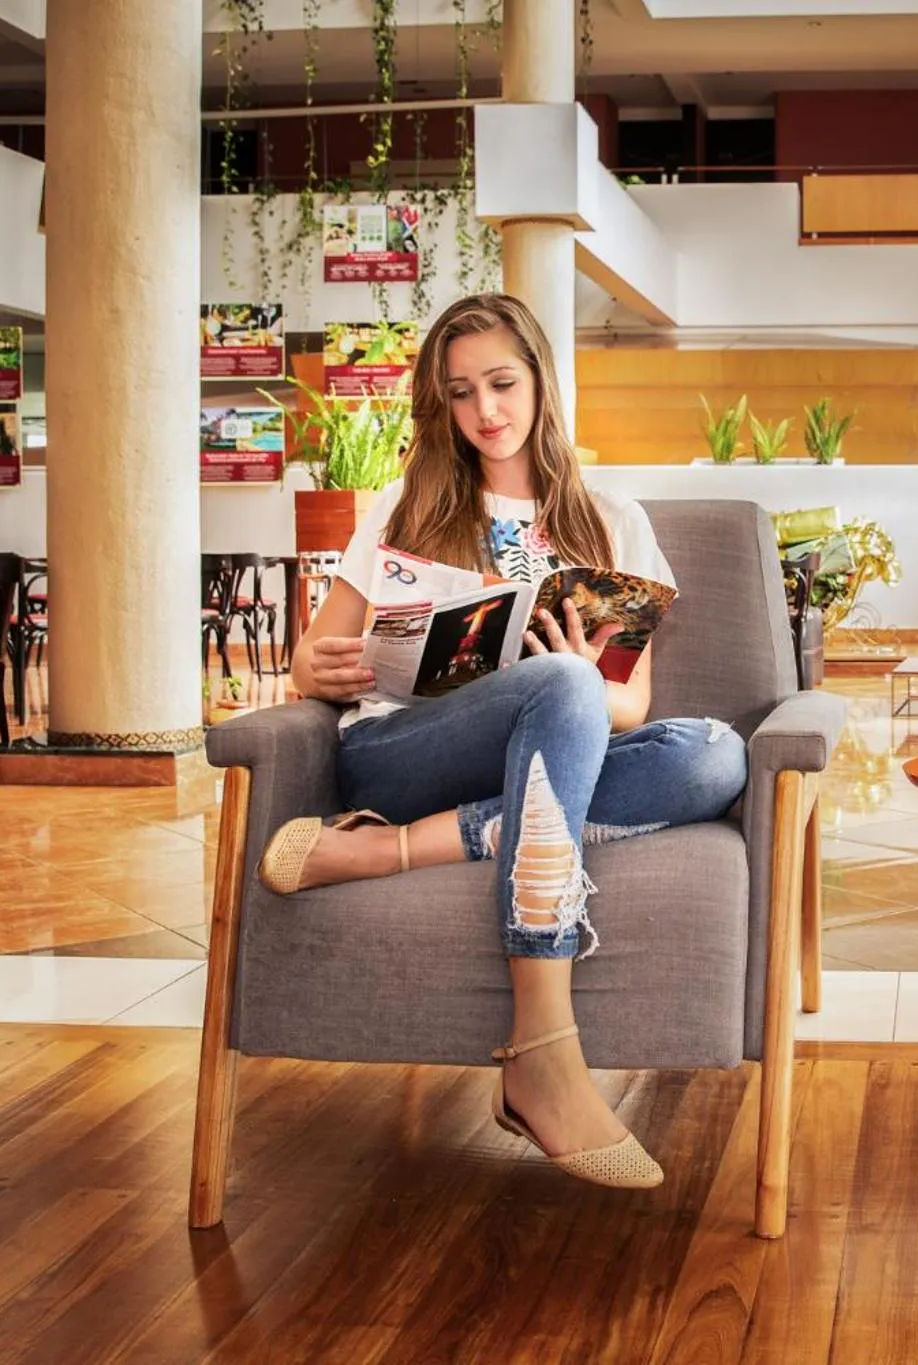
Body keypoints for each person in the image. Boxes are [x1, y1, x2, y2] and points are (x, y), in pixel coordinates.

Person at [258, 292, 748, 1190]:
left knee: (714, 753)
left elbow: (633, 705)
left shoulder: (611, 519)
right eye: (459, 392)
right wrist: (314, 668)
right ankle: (543, 1046)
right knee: (565, 686)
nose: (485, 411)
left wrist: (574, 676)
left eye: (501, 383)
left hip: (544, 752)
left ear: (539, 382)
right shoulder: (407, 507)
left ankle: (385, 852)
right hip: (406, 749)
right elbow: (312, 658)